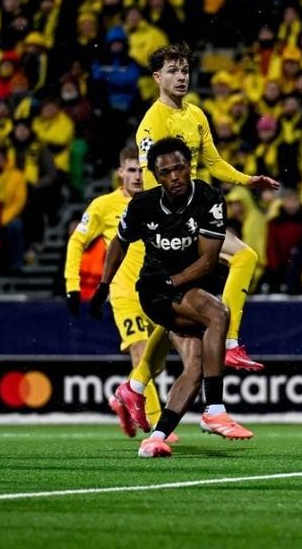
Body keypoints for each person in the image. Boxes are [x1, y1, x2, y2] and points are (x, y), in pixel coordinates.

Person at [113, 43, 280, 431]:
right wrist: (171, 224)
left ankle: (135, 386)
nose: (181, 76)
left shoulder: (196, 114)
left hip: (195, 216)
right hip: (173, 227)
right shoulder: (152, 123)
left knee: (177, 315)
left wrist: (247, 180)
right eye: (172, 70)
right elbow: (152, 181)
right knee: (242, 259)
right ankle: (230, 343)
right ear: (157, 78)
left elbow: (213, 162)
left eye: (185, 70)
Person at [91, 138, 252, 457]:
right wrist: (103, 285)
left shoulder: (208, 198)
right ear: (156, 176)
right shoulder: (143, 205)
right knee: (218, 314)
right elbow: (119, 243)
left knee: (196, 365)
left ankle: (156, 437)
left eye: (179, 168)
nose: (175, 176)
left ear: (189, 166)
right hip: (154, 292)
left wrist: (172, 280)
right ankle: (215, 409)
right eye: (165, 172)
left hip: (180, 284)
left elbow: (208, 261)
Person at [64, 146, 170, 438]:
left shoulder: (158, 202)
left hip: (156, 293)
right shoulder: (103, 205)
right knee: (140, 352)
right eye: (131, 170)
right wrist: (72, 284)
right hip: (123, 293)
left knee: (156, 363)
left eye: (141, 170)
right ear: (120, 172)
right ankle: (158, 425)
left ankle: (123, 396)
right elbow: (76, 241)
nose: (137, 176)